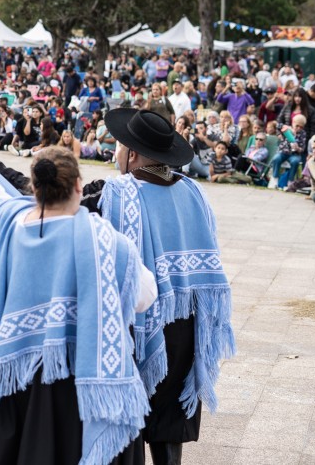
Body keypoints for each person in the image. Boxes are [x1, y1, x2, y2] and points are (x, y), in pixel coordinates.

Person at [0, 145, 157, 465]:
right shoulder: (105, 241)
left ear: (34, 188)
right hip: (81, 380)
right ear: (79, 186)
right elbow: (145, 296)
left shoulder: (9, 224)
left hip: (16, 375)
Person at [97, 109, 235, 465]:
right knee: (170, 421)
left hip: (138, 324)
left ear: (132, 153)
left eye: (119, 146)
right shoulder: (193, 191)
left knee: (126, 423)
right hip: (186, 324)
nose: (115, 152)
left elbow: (56, 204)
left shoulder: (116, 194)